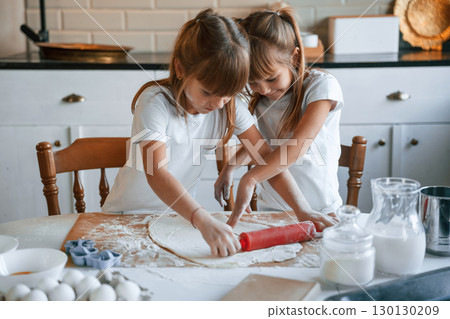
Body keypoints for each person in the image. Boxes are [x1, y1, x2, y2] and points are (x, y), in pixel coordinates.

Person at [103, 9, 322, 257]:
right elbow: (156, 173)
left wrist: (303, 211)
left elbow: (265, 157)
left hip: (179, 220)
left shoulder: (230, 106)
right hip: (127, 218)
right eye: (208, 92)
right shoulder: (155, 103)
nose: (218, 103)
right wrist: (202, 219)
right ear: (180, 68)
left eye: (229, 92)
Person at [215, 7, 341, 229]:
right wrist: (230, 168)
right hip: (272, 210)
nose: (262, 89)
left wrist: (250, 178)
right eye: (252, 82)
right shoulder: (260, 100)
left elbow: (295, 147)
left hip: (319, 208)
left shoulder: (321, 87)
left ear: (295, 56)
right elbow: (263, 146)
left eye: (271, 78)